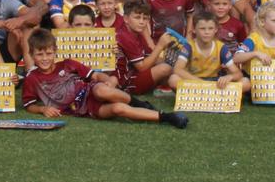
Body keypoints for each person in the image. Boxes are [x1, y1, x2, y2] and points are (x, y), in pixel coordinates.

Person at [23, 28, 188, 128]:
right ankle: (167, 117)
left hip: (89, 91)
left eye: (49, 53)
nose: (45, 58)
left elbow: (95, 75)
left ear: (55, 52)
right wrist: (42, 109)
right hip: (82, 109)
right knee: (118, 109)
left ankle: (141, 104)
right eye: (40, 54)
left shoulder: (67, 64)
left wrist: (106, 80)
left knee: (102, 90)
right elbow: (28, 104)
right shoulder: (33, 79)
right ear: (32, 55)